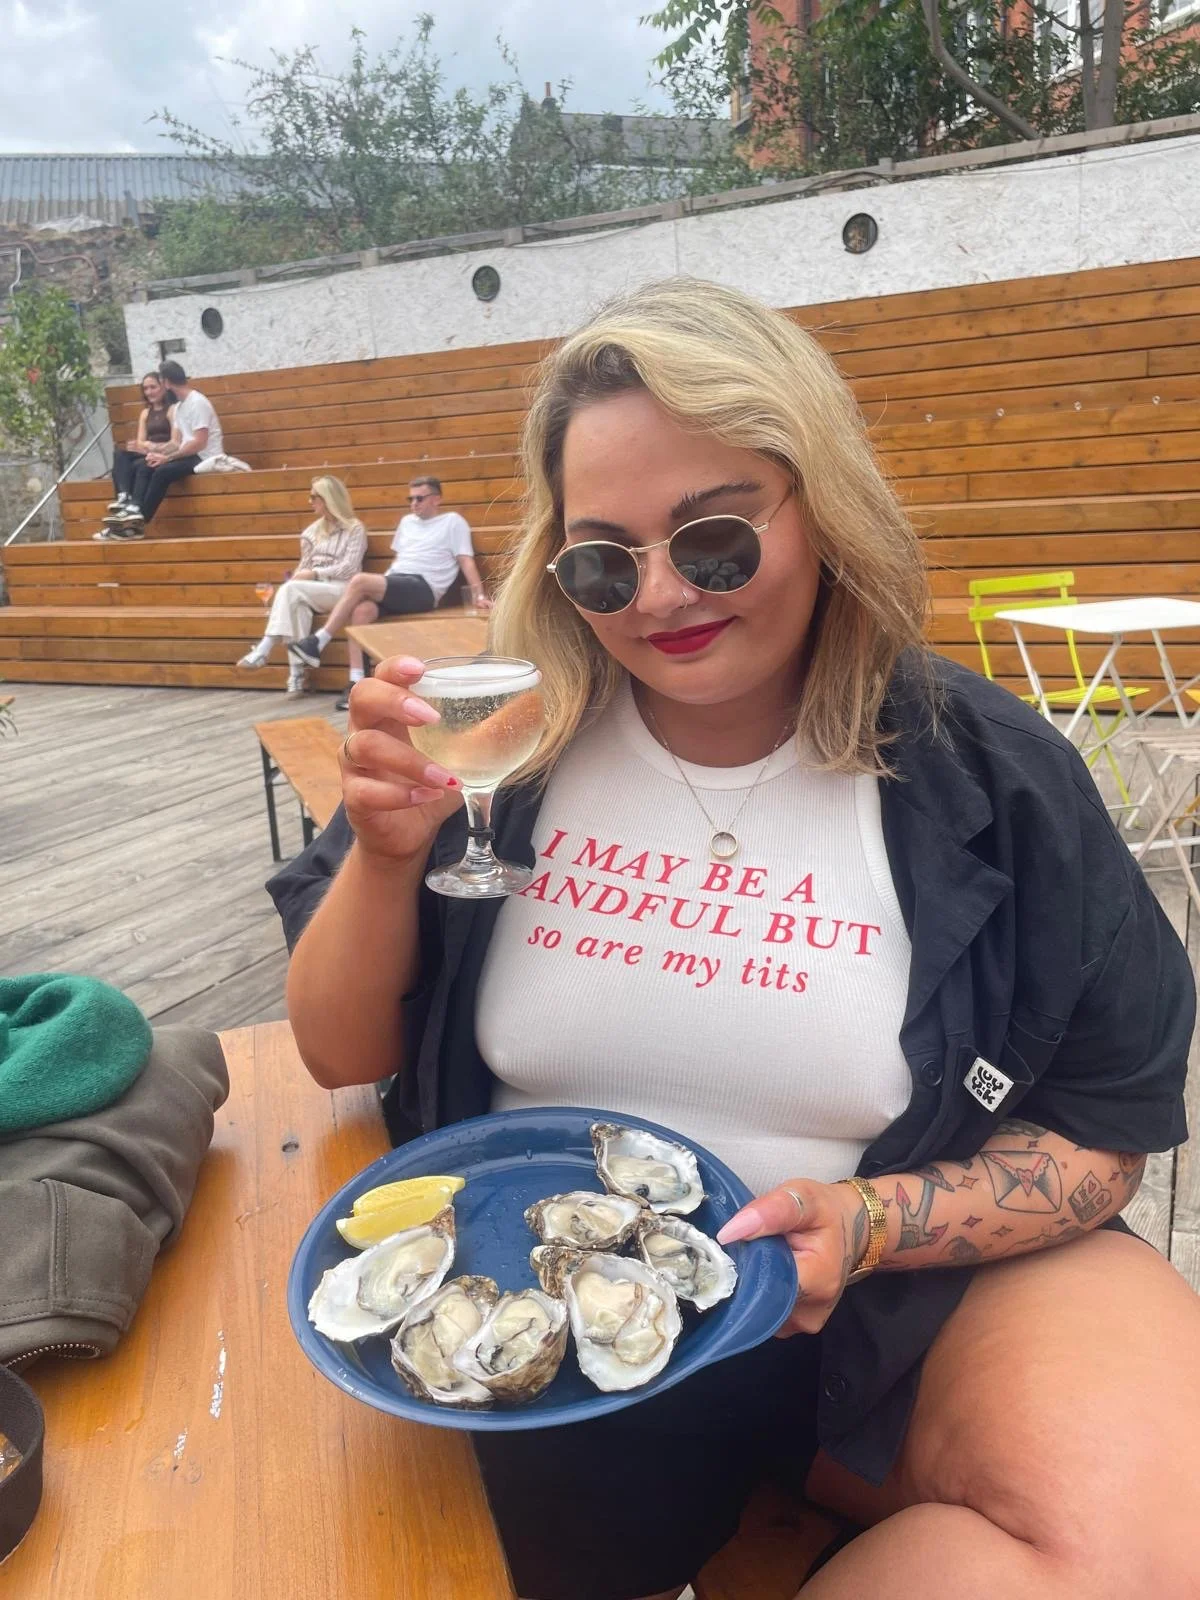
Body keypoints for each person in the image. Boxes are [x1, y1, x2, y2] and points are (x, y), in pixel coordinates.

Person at [267, 280, 1200, 1600]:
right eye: (601, 560)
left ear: (818, 504)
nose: (657, 599)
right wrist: (384, 853)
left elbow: (1105, 1130)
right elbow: (331, 1045)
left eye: (711, 540)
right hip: (538, 1301)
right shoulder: (507, 740)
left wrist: (869, 1224)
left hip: (882, 1300)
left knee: (1164, 1528)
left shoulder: (990, 775)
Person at [289, 476, 489, 710]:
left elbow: (465, 560)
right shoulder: (407, 522)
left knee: (359, 581)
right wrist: (381, 585)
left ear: (437, 499)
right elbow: (400, 561)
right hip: (397, 582)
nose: (414, 503)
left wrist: (479, 596)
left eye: (420, 498)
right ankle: (356, 683)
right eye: (410, 498)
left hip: (424, 588)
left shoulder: (453, 522)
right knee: (362, 611)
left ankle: (318, 640)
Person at [237, 477, 367, 694]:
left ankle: (264, 648)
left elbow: (350, 568)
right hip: (314, 590)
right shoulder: (310, 533)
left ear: (328, 499)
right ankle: (296, 675)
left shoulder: (354, 529)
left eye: (314, 497)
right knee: (295, 603)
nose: (310, 501)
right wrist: (299, 577)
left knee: (290, 591)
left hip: (344, 589)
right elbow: (303, 567)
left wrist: (315, 574)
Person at [94, 360, 223, 541]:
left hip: (204, 456)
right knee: (146, 463)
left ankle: (134, 522)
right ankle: (130, 511)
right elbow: (178, 442)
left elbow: (200, 443)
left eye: (160, 382)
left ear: (167, 383)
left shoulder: (197, 402)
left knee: (162, 471)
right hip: (189, 453)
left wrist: (167, 458)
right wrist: (158, 453)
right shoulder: (179, 406)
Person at [101, 372, 178, 530]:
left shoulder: (173, 410)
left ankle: (134, 505)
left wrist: (150, 446)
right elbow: (140, 441)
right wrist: (143, 446)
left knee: (141, 465)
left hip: (166, 454)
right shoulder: (145, 413)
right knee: (120, 455)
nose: (149, 392)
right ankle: (124, 496)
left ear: (163, 387)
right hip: (148, 452)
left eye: (153, 387)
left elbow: (175, 442)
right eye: (145, 388)